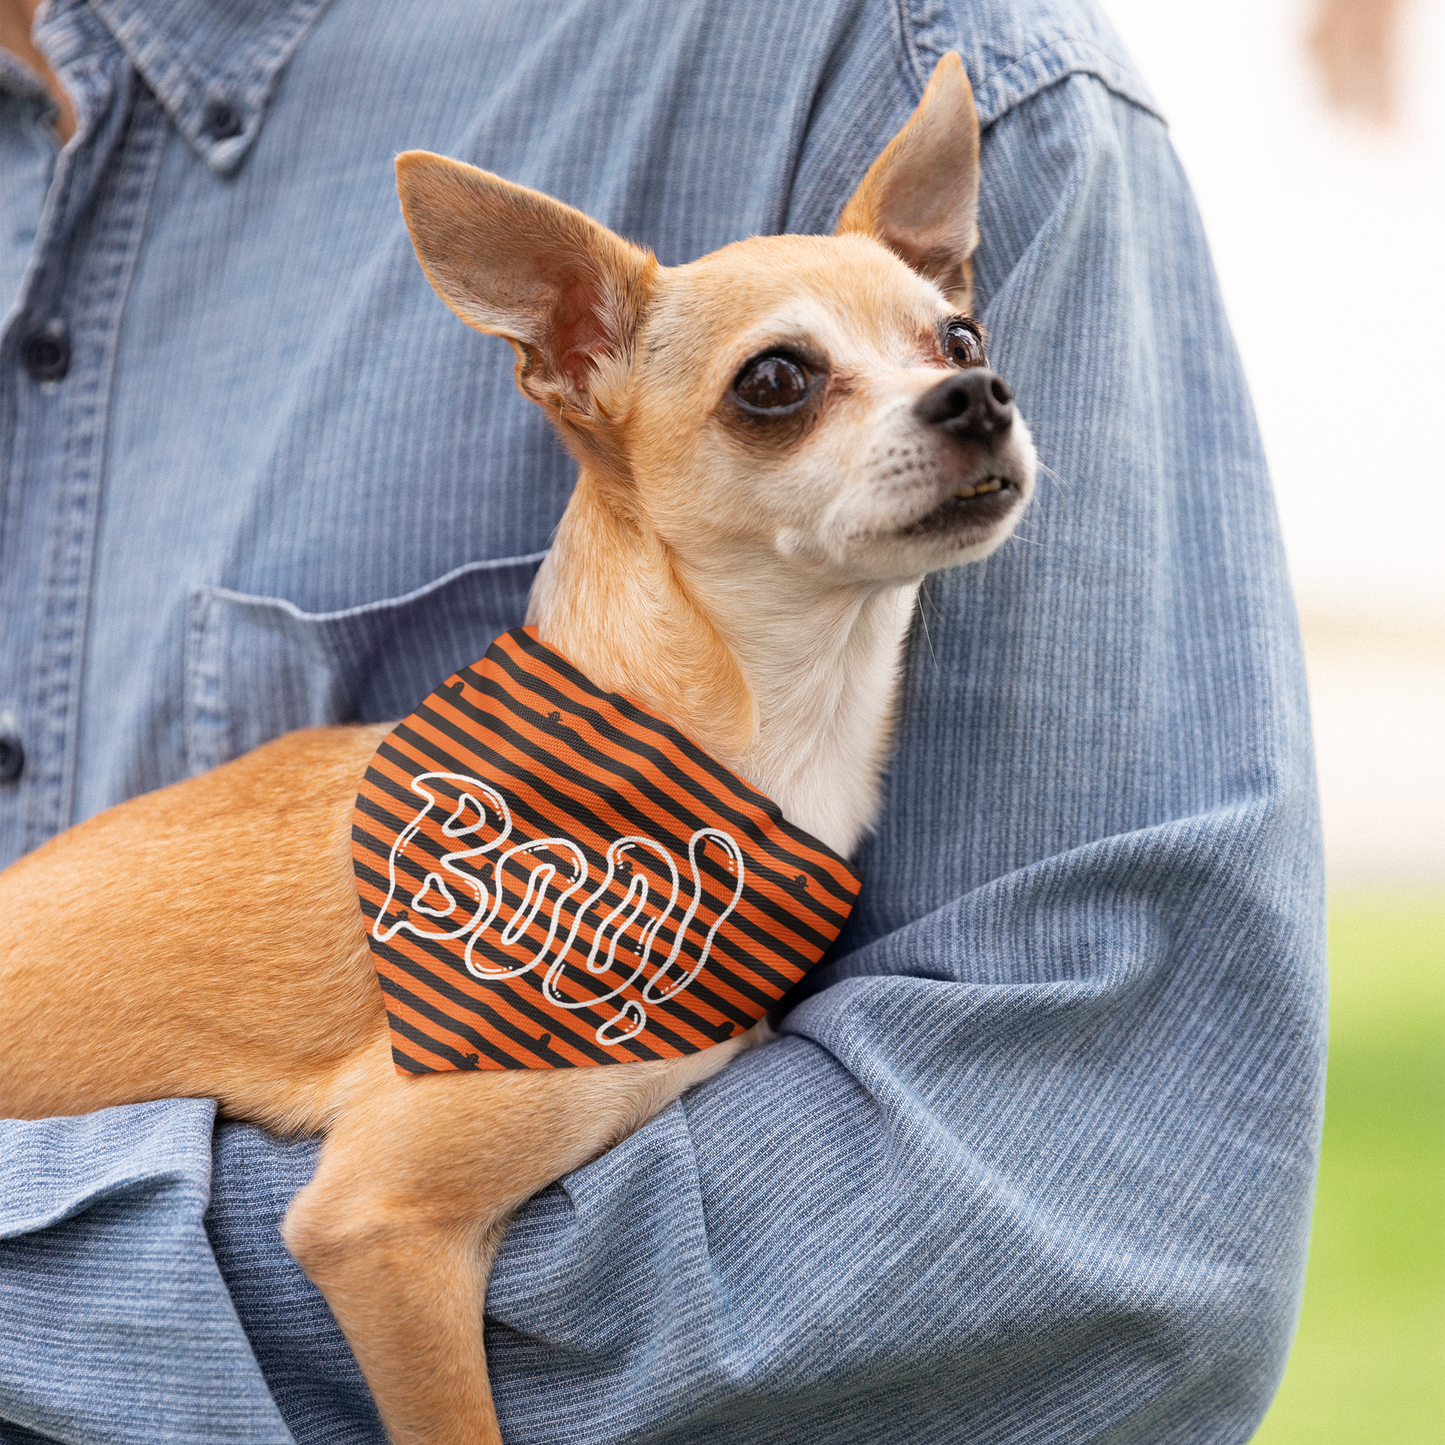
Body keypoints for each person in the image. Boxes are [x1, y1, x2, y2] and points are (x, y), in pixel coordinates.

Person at [0, 0, 1326, 1440]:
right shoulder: (579, 911)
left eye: (949, 335)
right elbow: (375, 1230)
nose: (956, 395)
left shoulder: (654, 885)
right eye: (782, 388)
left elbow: (1094, 1265)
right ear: (578, 362)